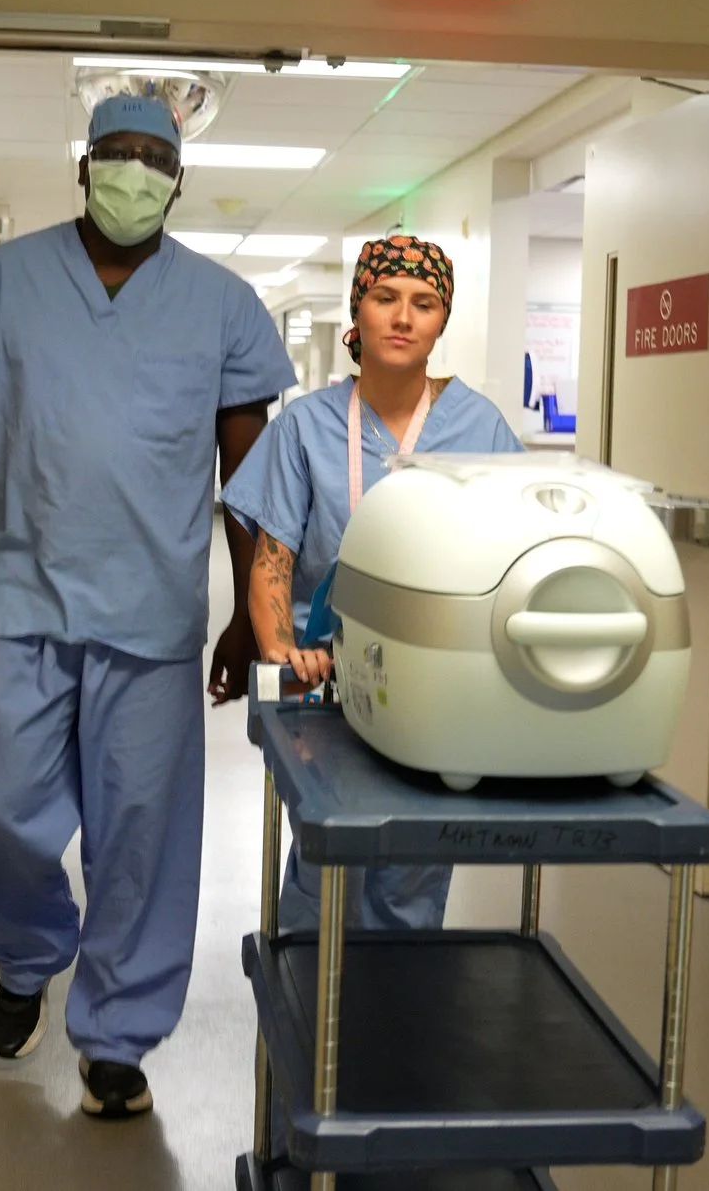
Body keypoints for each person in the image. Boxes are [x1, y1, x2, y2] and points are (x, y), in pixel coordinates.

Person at [0, 94, 295, 1120]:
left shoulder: (222, 306)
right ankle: (28, 955)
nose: (133, 172)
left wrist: (252, 611)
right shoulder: (2, 283)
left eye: (153, 158)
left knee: (142, 840)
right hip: (18, 601)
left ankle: (117, 1032)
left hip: (152, 618)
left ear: (178, 180)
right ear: (83, 167)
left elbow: (247, 470)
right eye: (116, 153)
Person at [221, 235, 525, 933]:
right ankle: (310, 987)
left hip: (436, 682)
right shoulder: (306, 427)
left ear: (442, 321)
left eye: (424, 302)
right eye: (386, 297)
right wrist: (282, 652)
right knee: (325, 858)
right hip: (324, 677)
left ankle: (393, 997)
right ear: (358, 307)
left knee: (413, 867)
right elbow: (273, 558)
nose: (403, 316)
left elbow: (510, 552)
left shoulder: (479, 426)